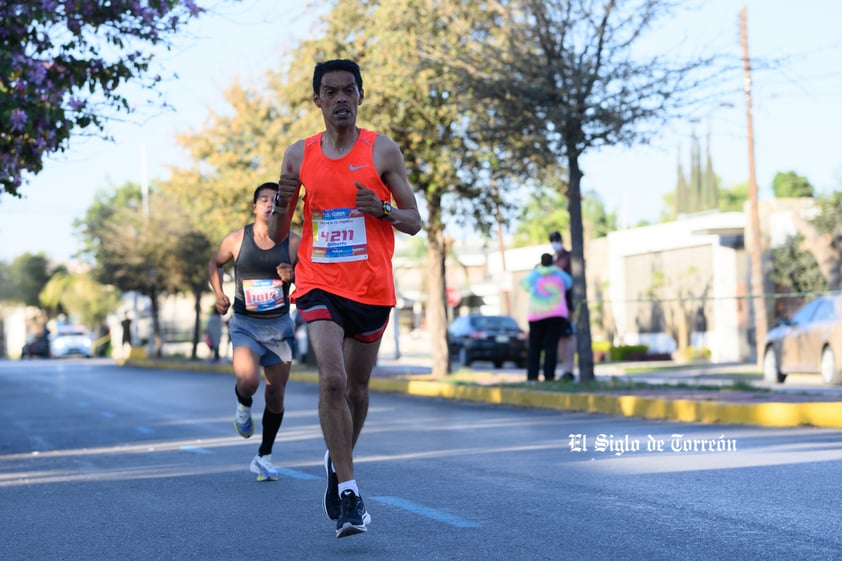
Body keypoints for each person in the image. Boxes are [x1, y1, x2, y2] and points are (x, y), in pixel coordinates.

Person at [275, 59, 422, 538]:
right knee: (332, 380)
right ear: (317, 100)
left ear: (360, 97)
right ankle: (351, 493)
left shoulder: (381, 150)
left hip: (371, 287)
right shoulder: (298, 156)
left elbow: (414, 220)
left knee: (357, 391)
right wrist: (281, 203)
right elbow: (281, 229)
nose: (340, 99)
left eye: (348, 91)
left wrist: (380, 208)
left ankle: (337, 465)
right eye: (330, 91)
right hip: (319, 281)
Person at [208, 181, 301, 482]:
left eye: (275, 199)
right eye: (263, 199)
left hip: (279, 325)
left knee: (276, 395)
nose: (269, 204)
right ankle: (243, 405)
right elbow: (215, 263)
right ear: (254, 206)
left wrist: (295, 274)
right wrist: (219, 294)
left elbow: (316, 275)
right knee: (248, 382)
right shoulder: (237, 239)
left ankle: (264, 457)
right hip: (246, 324)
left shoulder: (294, 242)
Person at [520, 253, 573, 382]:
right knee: (551, 347)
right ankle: (549, 375)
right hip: (556, 314)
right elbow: (569, 284)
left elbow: (524, 284)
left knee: (535, 347)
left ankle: (532, 376)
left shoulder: (535, 274)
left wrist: (535, 271)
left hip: (537, 315)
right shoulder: (559, 273)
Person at [550, 230, 576, 381]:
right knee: (560, 337)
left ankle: (569, 369)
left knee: (569, 336)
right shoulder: (553, 259)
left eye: (557, 240)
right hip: (555, 307)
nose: (555, 243)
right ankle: (564, 370)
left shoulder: (568, 257)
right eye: (552, 240)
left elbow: (570, 284)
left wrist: (571, 308)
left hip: (567, 305)